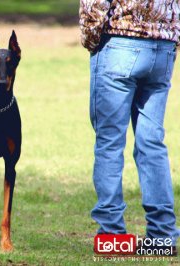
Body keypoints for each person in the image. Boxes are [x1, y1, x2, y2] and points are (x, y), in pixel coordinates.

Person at [80, 0, 180, 251]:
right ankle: (162, 236)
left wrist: (92, 39)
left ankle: (112, 236)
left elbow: (95, 5)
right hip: (163, 45)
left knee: (110, 143)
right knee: (152, 144)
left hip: (120, 42)